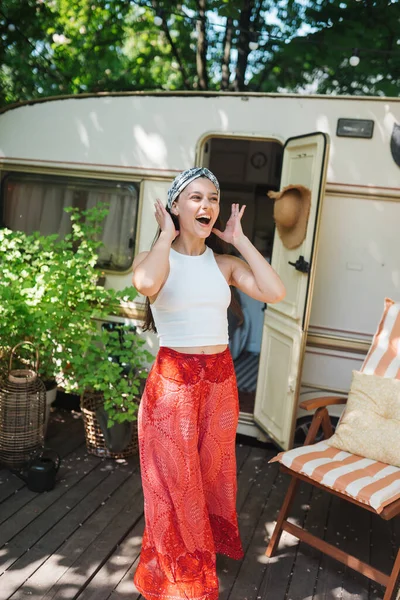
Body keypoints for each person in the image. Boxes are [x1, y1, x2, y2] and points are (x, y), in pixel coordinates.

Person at [132, 167, 286, 600]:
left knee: (209, 482)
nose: (206, 206)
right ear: (176, 206)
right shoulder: (156, 257)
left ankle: (188, 568)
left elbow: (275, 292)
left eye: (213, 198)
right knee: (174, 487)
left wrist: (239, 240)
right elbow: (146, 283)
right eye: (195, 198)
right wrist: (164, 235)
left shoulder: (224, 264)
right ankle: (184, 581)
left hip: (219, 385)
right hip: (173, 387)